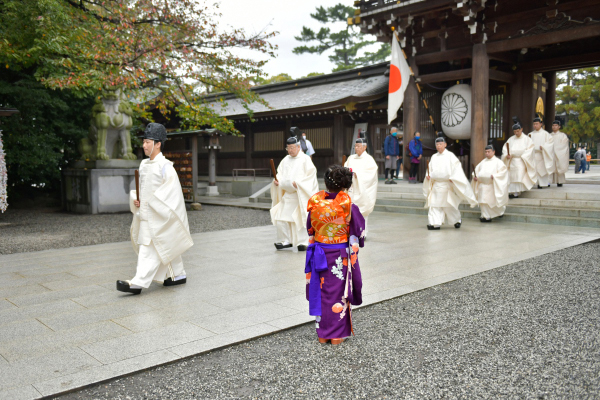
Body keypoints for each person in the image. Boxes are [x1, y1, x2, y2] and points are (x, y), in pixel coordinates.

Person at [117, 123, 193, 295]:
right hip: (145, 212)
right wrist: (138, 200)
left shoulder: (166, 167)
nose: (144, 145)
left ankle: (138, 282)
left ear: (158, 144)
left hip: (157, 214)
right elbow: (143, 189)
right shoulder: (144, 164)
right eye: (143, 142)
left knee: (149, 247)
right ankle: (177, 274)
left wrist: (152, 204)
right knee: (165, 244)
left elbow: (171, 193)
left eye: (147, 142)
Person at [305, 165, 365, 345]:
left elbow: (310, 229)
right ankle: (337, 335)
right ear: (346, 185)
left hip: (319, 252)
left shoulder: (315, 202)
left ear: (326, 183)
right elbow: (358, 232)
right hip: (339, 255)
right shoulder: (348, 206)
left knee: (321, 290)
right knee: (338, 293)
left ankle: (323, 334)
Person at [271, 130, 319, 252]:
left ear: (298, 147)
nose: (290, 150)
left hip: (299, 194)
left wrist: (299, 184)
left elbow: (310, 176)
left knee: (299, 218)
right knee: (282, 218)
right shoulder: (285, 159)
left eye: (292, 148)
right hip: (287, 194)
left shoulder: (305, 159)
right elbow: (280, 174)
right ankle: (286, 241)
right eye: (288, 148)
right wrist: (278, 182)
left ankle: (303, 242)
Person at [423, 136, 477, 230]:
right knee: (434, 204)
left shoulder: (450, 156)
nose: (438, 146)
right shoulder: (434, 157)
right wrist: (428, 176)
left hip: (446, 184)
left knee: (449, 205)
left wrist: (454, 177)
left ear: (445, 145)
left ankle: (457, 220)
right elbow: (429, 169)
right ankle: (435, 223)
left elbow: (457, 168)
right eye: (437, 144)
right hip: (436, 184)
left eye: (440, 144)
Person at [344, 132, 378, 238]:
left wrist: (357, 176)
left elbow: (371, 175)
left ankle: (362, 233)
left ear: (364, 147)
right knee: (351, 211)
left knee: (362, 212)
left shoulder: (369, 160)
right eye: (355, 146)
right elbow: (345, 169)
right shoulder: (351, 158)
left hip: (363, 190)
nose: (356, 148)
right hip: (351, 189)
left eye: (358, 146)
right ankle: (351, 232)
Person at [472, 145, 509, 222]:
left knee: (491, 202)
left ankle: (499, 211)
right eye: (486, 152)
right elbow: (476, 171)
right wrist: (475, 177)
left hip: (491, 185)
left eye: (489, 152)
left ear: (493, 152)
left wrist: (495, 176)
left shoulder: (498, 162)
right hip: (482, 185)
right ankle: (485, 216)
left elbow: (503, 172)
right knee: (483, 201)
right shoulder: (482, 162)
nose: (487, 153)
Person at [502, 123, 536, 198]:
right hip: (513, 160)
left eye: (518, 131)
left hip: (522, 160)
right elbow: (505, 149)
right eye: (514, 132)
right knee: (512, 176)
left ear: (521, 129)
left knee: (519, 175)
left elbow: (530, 149)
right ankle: (512, 191)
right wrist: (507, 155)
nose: (516, 133)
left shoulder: (527, 139)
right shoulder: (511, 139)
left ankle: (517, 192)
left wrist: (524, 156)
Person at [528, 117, 555, 189]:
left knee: (541, 170)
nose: (535, 125)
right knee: (533, 169)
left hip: (542, 154)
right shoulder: (530, 134)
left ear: (541, 124)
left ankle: (542, 183)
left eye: (537, 124)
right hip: (533, 155)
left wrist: (543, 147)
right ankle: (533, 183)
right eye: (534, 124)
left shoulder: (546, 134)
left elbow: (550, 143)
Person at [549, 120, 569, 187]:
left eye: (556, 125)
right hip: (550, 155)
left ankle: (560, 182)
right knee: (549, 167)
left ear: (559, 127)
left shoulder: (563, 136)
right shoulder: (549, 136)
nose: (554, 127)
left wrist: (555, 149)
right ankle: (548, 182)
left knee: (559, 166)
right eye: (553, 125)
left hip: (559, 154)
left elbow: (564, 145)